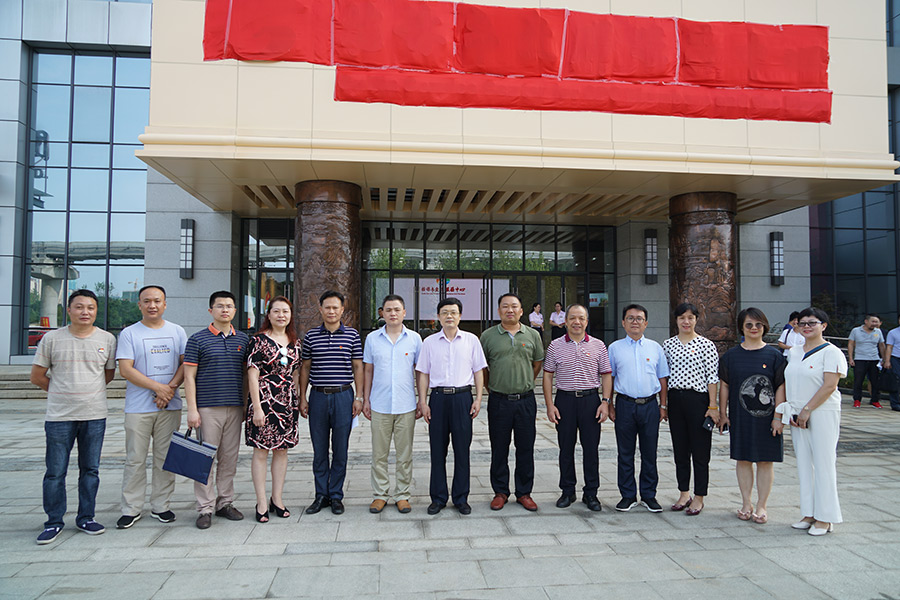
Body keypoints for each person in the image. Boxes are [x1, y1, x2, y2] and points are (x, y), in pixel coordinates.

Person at [31, 289, 117, 544]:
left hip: (94, 415)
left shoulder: (107, 339)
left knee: (90, 470)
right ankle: (53, 521)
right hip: (59, 416)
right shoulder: (52, 338)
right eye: (79, 307)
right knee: (55, 472)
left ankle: (86, 517)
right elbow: (37, 376)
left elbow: (108, 374)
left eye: (90, 307)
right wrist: (62, 391)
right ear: (68, 310)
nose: (85, 312)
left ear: (96, 311)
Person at [115, 285, 186, 529]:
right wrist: (159, 388)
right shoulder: (129, 333)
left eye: (157, 301)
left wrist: (169, 390)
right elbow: (126, 369)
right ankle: (131, 508)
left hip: (170, 406)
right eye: (147, 301)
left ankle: (161, 505)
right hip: (138, 407)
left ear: (165, 304)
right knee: (135, 458)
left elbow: (185, 364)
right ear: (139, 305)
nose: (152, 305)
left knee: (165, 458)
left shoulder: (177, 331)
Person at [184, 291, 249, 529]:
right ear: (211, 310)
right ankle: (205, 508)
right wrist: (192, 409)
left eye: (229, 306)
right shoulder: (197, 340)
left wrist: (245, 405)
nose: (225, 310)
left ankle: (225, 502)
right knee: (205, 460)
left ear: (235, 311)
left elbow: (246, 375)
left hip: (235, 408)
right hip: (207, 408)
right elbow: (189, 377)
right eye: (220, 306)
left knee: (229, 459)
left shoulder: (243, 340)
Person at [416, 297, 487, 515]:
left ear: (460, 316)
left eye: (453, 312)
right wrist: (423, 401)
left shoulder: (471, 340)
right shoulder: (429, 342)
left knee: (462, 450)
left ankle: (461, 498)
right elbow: (423, 373)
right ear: (438, 317)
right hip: (438, 399)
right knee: (437, 451)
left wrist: (478, 399)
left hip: (462, 398)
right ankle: (438, 498)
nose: (449, 316)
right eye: (445, 312)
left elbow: (478, 371)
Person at [718, 307, 786, 525]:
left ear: (764, 327)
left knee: (765, 461)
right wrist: (723, 413)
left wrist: (778, 417)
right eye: (749, 325)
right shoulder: (731, 356)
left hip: (768, 419)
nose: (754, 328)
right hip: (741, 417)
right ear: (742, 328)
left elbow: (780, 387)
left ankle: (761, 505)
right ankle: (746, 503)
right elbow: (725, 386)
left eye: (758, 324)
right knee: (744, 459)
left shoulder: (774, 356)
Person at [783, 307, 847, 536]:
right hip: (797, 414)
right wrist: (793, 411)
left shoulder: (831, 352)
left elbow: (830, 385)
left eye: (812, 322)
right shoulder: (794, 352)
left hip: (821, 412)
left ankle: (825, 518)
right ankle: (809, 513)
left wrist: (808, 409)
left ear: (824, 326)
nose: (807, 326)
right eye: (802, 323)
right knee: (804, 464)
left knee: (823, 463)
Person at [299, 290, 364, 516]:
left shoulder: (352, 335)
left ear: (342, 310)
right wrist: (302, 397)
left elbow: (358, 366)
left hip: (343, 396)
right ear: (320, 309)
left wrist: (359, 397)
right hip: (318, 396)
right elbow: (305, 367)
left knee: (340, 449)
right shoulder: (311, 336)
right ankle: (321, 495)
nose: (331, 311)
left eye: (336, 307)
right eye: (327, 307)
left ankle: (336, 495)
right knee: (319, 450)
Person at [542, 304, 612, 512]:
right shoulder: (555, 346)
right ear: (565, 321)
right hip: (565, 401)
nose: (577, 322)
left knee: (591, 449)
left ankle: (591, 493)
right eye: (572, 318)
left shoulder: (599, 345)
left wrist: (605, 402)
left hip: (590, 401)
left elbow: (606, 375)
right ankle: (567, 490)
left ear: (587, 321)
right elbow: (548, 375)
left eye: (581, 318)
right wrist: (550, 405)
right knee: (566, 448)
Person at [481, 293, 544, 511]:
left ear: (521, 311)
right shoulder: (488, 336)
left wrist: (525, 381)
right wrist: (491, 388)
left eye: (514, 306)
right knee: (499, 447)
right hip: (499, 401)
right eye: (505, 306)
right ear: (499, 311)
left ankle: (524, 492)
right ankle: (500, 492)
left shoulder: (532, 335)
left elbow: (537, 363)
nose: (510, 310)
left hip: (525, 400)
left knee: (525, 447)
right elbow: (483, 368)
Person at [363, 294, 422, 514]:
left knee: (404, 454)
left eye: (397, 309)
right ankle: (380, 494)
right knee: (379, 454)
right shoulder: (372, 339)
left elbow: (420, 372)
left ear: (404, 313)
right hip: (379, 404)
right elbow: (368, 370)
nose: (393, 313)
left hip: (406, 405)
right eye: (388, 310)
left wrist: (421, 399)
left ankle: (402, 495)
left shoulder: (415, 339)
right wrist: (365, 399)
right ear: (382, 313)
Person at [608, 304, 669, 513]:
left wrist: (663, 405)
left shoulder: (655, 348)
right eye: (630, 318)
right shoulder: (614, 348)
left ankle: (649, 495)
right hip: (624, 405)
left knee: (649, 452)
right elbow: (610, 378)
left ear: (646, 323)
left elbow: (662, 379)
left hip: (650, 405)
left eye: (639, 318)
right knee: (625, 453)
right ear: (623, 322)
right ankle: (627, 495)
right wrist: (609, 403)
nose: (635, 322)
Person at [246, 296, 300, 523]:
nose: (281, 315)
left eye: (285, 311)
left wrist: (298, 400)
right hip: (264, 402)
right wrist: (257, 408)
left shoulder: (295, 342)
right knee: (261, 452)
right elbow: (252, 375)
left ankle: (276, 498)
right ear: (268, 315)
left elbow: (295, 373)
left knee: (282, 451)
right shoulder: (258, 341)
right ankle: (260, 502)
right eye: (276, 311)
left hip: (287, 404)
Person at [662, 302, 719, 516]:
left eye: (690, 318)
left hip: (699, 401)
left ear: (696, 320)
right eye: (682, 318)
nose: (686, 322)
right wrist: (664, 404)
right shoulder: (668, 345)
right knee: (680, 450)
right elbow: (664, 377)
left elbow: (712, 377)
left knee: (700, 451)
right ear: (676, 320)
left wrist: (713, 406)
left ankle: (699, 496)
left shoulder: (706, 345)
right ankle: (684, 493)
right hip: (676, 400)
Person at [848, 314, 886, 408]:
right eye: (873, 321)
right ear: (866, 321)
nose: (874, 324)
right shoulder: (856, 331)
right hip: (860, 359)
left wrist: (884, 359)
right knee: (858, 381)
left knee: (875, 381)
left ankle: (875, 400)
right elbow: (851, 344)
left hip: (874, 359)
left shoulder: (878, 331)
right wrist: (851, 358)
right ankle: (857, 400)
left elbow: (881, 345)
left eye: (876, 322)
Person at [884, 316, 900, 411]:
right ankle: (895, 403)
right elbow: (889, 347)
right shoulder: (893, 332)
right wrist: (887, 361)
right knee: (895, 380)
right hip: (896, 358)